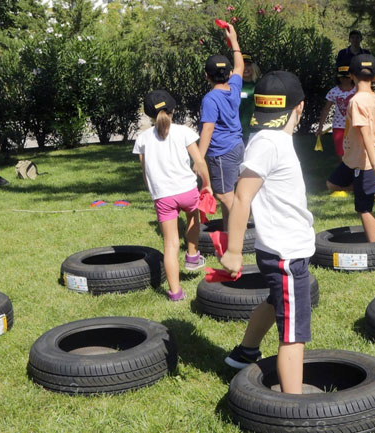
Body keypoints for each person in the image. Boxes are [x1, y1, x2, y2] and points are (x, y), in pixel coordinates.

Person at [222, 71, 315, 395]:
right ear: (299, 107)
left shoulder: (270, 139)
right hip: (285, 253)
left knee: (276, 301)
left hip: (283, 248)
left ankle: (245, 352)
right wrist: (234, 251)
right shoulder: (269, 143)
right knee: (293, 332)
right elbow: (242, 196)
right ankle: (292, 406)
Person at [133, 90, 212, 301]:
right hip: (187, 190)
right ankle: (193, 256)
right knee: (193, 217)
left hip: (163, 196)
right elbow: (200, 162)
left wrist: (153, 192)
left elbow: (145, 172)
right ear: (174, 110)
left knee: (170, 244)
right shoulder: (183, 131)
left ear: (149, 115)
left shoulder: (142, 139)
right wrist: (207, 184)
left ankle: (175, 293)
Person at [327, 54, 375, 243]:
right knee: (332, 184)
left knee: (364, 209)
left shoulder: (357, 101)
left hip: (366, 162)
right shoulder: (371, 97)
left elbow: (366, 134)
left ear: (351, 75)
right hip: (353, 158)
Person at [199, 23, 244, 230]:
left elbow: (207, 129)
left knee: (225, 196)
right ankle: (229, 230)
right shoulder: (233, 88)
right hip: (236, 147)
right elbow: (241, 67)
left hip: (221, 152)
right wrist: (233, 40)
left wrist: (199, 160)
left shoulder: (210, 98)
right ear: (229, 74)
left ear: (206, 76)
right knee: (229, 193)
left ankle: (240, 234)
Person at [316, 64, 356, 161]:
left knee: (355, 149)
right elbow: (326, 109)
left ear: (352, 77)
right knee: (340, 151)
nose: (344, 79)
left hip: (355, 125)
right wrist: (320, 126)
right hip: (339, 126)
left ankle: (354, 170)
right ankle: (344, 169)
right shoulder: (334, 91)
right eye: (342, 77)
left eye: (347, 77)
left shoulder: (357, 90)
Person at [239, 53, 261, 144]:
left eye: (248, 65)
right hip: (238, 131)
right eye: (242, 66)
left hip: (254, 129)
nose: (245, 68)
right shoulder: (233, 86)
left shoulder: (259, 85)